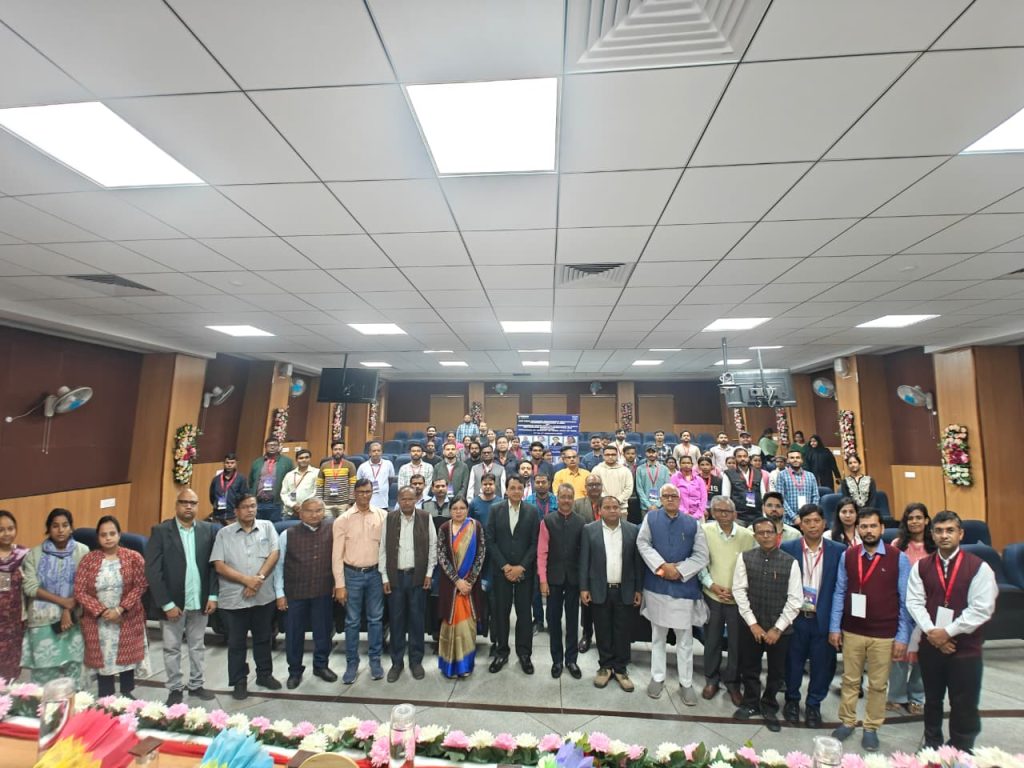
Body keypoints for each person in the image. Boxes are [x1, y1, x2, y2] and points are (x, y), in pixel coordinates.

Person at [906, 510, 997, 752]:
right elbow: (914, 602)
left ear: (961, 534)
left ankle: (961, 748)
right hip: (931, 646)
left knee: (964, 702)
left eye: (950, 530)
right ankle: (932, 744)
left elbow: (982, 608)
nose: (944, 535)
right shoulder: (922, 566)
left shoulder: (979, 567)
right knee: (932, 700)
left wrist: (947, 632)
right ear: (932, 534)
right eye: (939, 531)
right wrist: (933, 633)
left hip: (965, 648)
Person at [829, 508, 912, 753]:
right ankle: (847, 721)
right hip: (853, 630)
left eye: (873, 526)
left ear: (882, 528)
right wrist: (835, 627)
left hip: (884, 633)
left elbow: (905, 600)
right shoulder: (848, 555)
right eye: (863, 526)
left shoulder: (898, 558)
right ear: (858, 529)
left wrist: (903, 636)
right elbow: (840, 591)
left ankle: (871, 727)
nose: (868, 531)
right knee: (850, 680)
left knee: (877, 684)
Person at [145, 489, 219, 705]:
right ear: (176, 505)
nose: (188, 506)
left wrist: (213, 595)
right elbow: (153, 571)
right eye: (184, 502)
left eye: (193, 503)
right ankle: (175, 688)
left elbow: (213, 566)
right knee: (172, 648)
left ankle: (196, 685)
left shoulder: (208, 530)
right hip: (172, 604)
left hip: (200, 601)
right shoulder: (160, 531)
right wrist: (166, 603)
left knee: (198, 646)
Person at [637, 484, 709, 704]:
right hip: (657, 585)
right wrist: (662, 567)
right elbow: (642, 543)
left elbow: (702, 555)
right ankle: (657, 678)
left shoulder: (693, 523)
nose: (670, 499)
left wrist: (679, 571)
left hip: (684, 587)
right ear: (660, 499)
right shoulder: (651, 519)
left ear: (680, 499)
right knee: (658, 636)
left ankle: (686, 683)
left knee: (685, 639)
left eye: (674, 496)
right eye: (666, 496)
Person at [731, 516, 802, 732]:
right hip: (751, 626)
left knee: (777, 671)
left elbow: (795, 600)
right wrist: (752, 624)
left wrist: (777, 628)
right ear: (755, 536)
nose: (765, 536)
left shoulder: (791, 562)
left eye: (769, 532)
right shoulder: (745, 558)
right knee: (749, 667)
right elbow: (739, 591)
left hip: (779, 629)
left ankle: (769, 706)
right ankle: (751, 702)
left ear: (777, 535)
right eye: (760, 533)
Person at [781, 504, 845, 728]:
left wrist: (838, 625)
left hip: (823, 619)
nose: (812, 525)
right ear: (801, 525)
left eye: (816, 521)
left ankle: (813, 704)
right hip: (795, 617)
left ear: (824, 523)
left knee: (822, 665)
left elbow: (842, 588)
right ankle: (791, 700)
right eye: (807, 521)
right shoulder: (788, 548)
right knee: (792, 663)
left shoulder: (838, 550)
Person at [211, 494, 281, 699]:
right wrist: (246, 581)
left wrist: (257, 580)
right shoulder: (224, 533)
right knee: (236, 643)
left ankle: (264, 675)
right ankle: (239, 681)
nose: (250, 510)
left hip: (262, 596)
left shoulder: (267, 526)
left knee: (263, 638)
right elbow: (219, 565)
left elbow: (274, 554)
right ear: (236, 511)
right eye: (245, 507)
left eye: (253, 506)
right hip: (234, 598)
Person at [75, 516, 148, 697]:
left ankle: (127, 694)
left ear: (119, 535)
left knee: (127, 659)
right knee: (104, 661)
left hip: (127, 616)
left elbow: (141, 585)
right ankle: (105, 698)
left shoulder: (134, 557)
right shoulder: (88, 560)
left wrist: (120, 609)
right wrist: (102, 611)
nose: (108, 538)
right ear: (98, 537)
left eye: (112, 533)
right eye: (103, 535)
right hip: (99, 620)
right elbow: (80, 591)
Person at [273, 497, 338, 689]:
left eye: (319, 510)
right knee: (294, 634)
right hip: (295, 593)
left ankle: (321, 665)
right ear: (300, 513)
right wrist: (279, 593)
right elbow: (279, 566)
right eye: (309, 511)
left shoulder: (333, 530)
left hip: (323, 591)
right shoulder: (287, 534)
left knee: (323, 632)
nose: (315, 514)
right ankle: (294, 671)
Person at [580, 496, 643, 692]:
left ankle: (621, 669)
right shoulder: (589, 530)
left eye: (615, 507)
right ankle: (605, 667)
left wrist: (638, 589)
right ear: (600, 510)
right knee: (603, 629)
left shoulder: (632, 530)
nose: (612, 510)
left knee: (623, 630)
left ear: (620, 509)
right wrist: (584, 588)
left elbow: (637, 563)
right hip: (599, 589)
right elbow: (584, 561)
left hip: (625, 589)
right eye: (607, 507)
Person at [699, 496, 755, 705]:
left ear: (735, 514)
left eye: (728, 511)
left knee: (736, 643)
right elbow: (700, 562)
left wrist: (739, 590)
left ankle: (733, 682)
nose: (723, 515)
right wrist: (711, 585)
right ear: (713, 513)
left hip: (738, 599)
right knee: (712, 640)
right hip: (713, 595)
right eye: (719, 511)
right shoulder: (704, 531)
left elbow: (752, 566)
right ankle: (711, 679)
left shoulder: (747, 536)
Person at [21, 508, 88, 684]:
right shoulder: (35, 553)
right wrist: (63, 602)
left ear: (71, 528)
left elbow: (86, 584)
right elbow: (30, 587)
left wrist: (68, 608)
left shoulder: (82, 551)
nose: (60, 530)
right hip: (43, 621)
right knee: (44, 677)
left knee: (73, 675)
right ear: (48, 529)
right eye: (55, 526)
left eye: (65, 525)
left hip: (73, 621)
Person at [379, 487, 437, 682]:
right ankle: (397, 663)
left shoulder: (425, 518)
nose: (406, 502)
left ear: (416, 500)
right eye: (403, 499)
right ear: (398, 500)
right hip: (395, 577)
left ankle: (416, 661)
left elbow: (433, 546)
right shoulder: (389, 518)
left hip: (417, 577)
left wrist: (429, 573)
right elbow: (382, 548)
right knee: (396, 621)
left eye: (410, 499)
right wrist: (384, 577)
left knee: (416, 620)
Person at [333, 478, 387, 684]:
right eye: (361, 492)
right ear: (354, 493)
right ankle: (352, 663)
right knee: (352, 621)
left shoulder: (382, 516)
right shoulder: (343, 520)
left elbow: (386, 550)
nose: (365, 495)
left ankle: (375, 661)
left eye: (368, 491)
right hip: (352, 575)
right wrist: (340, 584)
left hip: (375, 574)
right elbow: (336, 556)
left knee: (375, 620)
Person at [485, 475, 539, 674]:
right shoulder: (495, 510)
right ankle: (501, 652)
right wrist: (505, 566)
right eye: (512, 488)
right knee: (501, 613)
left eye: (520, 488)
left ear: (524, 490)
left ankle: (524, 654)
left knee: (524, 614)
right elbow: (490, 540)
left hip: (525, 571)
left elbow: (535, 542)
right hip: (502, 571)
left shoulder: (532, 511)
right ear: (506, 490)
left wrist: (521, 567)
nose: (516, 491)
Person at [887, 502, 934, 716]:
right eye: (910, 518)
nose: (914, 522)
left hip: (928, 607)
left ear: (926, 520)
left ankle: (917, 696)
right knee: (899, 653)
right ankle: (897, 696)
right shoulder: (897, 545)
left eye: (918, 517)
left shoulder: (934, 546)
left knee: (923, 655)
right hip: (902, 607)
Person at [538, 483, 585, 680]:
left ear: (573, 499)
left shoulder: (581, 522)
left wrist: (584, 584)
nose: (566, 500)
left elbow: (584, 555)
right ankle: (556, 660)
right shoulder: (548, 521)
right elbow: (542, 553)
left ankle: (571, 660)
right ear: (557, 498)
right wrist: (543, 580)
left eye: (569, 497)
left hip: (574, 579)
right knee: (554, 621)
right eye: (563, 497)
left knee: (573, 621)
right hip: (553, 579)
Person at [437, 496, 486, 678]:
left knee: (467, 627)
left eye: (462, 508)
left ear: (467, 510)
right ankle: (449, 666)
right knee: (450, 624)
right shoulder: (444, 528)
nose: (458, 511)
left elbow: (481, 554)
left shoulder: (476, 527)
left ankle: (465, 666)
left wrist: (469, 581)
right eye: (455, 508)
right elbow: (441, 556)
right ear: (450, 510)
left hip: (470, 588)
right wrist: (457, 580)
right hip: (450, 586)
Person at [573, 474, 603, 653]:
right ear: (585, 487)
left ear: (602, 486)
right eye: (590, 485)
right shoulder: (577, 505)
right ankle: (586, 633)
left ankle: (603, 634)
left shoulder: (608, 503)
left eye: (597, 484)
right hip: (585, 558)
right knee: (586, 600)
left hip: (605, 559)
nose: (594, 488)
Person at [0, 510, 28, 681]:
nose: (6, 533)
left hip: (15, 620)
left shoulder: (23, 555)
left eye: (10, 529)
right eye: (1, 529)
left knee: (12, 662)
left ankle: (9, 694)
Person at [248, 437, 294, 522]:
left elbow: (292, 482)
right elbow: (251, 482)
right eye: (270, 445)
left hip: (276, 503)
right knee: (258, 527)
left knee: (275, 527)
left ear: (279, 447)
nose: (272, 447)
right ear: (265, 447)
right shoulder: (257, 462)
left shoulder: (287, 462)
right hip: (259, 503)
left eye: (275, 445)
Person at [721, 448, 766, 527]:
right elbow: (726, 497)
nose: (743, 458)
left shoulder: (758, 473)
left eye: (745, 456)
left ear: (748, 458)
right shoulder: (729, 473)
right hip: (738, 516)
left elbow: (763, 495)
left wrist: (764, 515)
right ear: (735, 458)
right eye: (739, 456)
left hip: (757, 514)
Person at [775, 449, 820, 525]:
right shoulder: (782, 475)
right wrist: (794, 517)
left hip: (808, 519)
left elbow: (815, 497)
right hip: (789, 521)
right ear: (788, 460)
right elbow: (780, 498)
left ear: (802, 460)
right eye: (792, 458)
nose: (795, 460)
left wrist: (810, 514)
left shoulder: (810, 475)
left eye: (798, 457)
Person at [319, 440, 357, 518]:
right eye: (335, 449)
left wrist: (350, 503)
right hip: (327, 504)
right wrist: (320, 502)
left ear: (343, 451)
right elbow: (319, 485)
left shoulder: (350, 465)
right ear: (332, 450)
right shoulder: (324, 465)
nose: (338, 452)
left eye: (340, 449)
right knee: (328, 525)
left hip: (344, 504)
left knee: (343, 525)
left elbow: (353, 485)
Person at [209, 453, 248, 523]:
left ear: (236, 464)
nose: (229, 465)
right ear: (223, 463)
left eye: (232, 463)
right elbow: (212, 497)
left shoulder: (241, 479)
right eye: (227, 463)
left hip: (233, 517)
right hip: (217, 516)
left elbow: (244, 497)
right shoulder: (216, 479)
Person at [280, 448, 319, 518]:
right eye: (301, 458)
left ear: (310, 459)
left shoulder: (316, 473)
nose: (304, 460)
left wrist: (303, 504)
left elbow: (316, 491)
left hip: (308, 512)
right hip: (290, 512)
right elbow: (284, 493)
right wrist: (293, 505)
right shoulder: (289, 475)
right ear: (296, 460)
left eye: (306, 457)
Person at [356, 442, 396, 510]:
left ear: (381, 452)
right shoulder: (363, 467)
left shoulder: (388, 464)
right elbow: (358, 484)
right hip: (367, 503)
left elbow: (390, 479)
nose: (376, 452)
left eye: (378, 450)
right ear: (369, 453)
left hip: (383, 503)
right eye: (374, 451)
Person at [635, 445, 671, 516]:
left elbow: (666, 489)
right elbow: (639, 489)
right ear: (646, 453)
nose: (651, 454)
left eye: (653, 452)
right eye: (649, 452)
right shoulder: (640, 469)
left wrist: (657, 505)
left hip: (661, 506)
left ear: (657, 453)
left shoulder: (665, 469)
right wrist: (648, 505)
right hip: (645, 507)